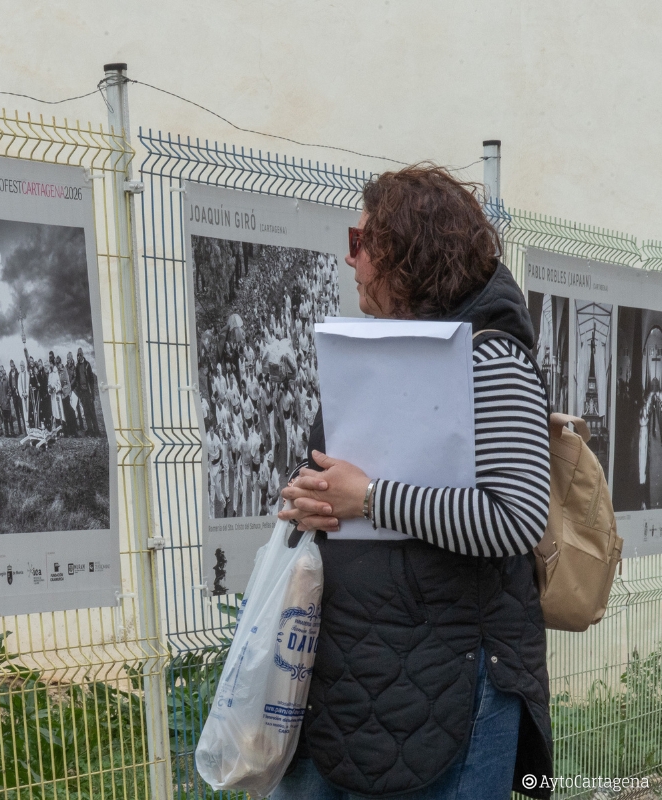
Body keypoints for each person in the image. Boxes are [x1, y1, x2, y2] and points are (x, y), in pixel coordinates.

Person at [273, 166, 552, 799]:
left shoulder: (492, 357)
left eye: (362, 242)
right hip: (353, 676)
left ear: (410, 254)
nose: (351, 260)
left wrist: (369, 498)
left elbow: (514, 517)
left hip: (453, 691)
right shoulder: (379, 352)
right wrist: (306, 499)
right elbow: (321, 474)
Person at [75, 348, 99, 437]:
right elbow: (77, 380)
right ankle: (90, 430)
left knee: (92, 411)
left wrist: (92, 394)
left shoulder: (87, 365)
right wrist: (79, 393)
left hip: (88, 392)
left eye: (80, 354)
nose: (79, 356)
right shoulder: (77, 366)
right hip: (83, 392)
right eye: (78, 355)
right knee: (86, 412)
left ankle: (97, 431)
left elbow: (92, 380)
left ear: (83, 355)